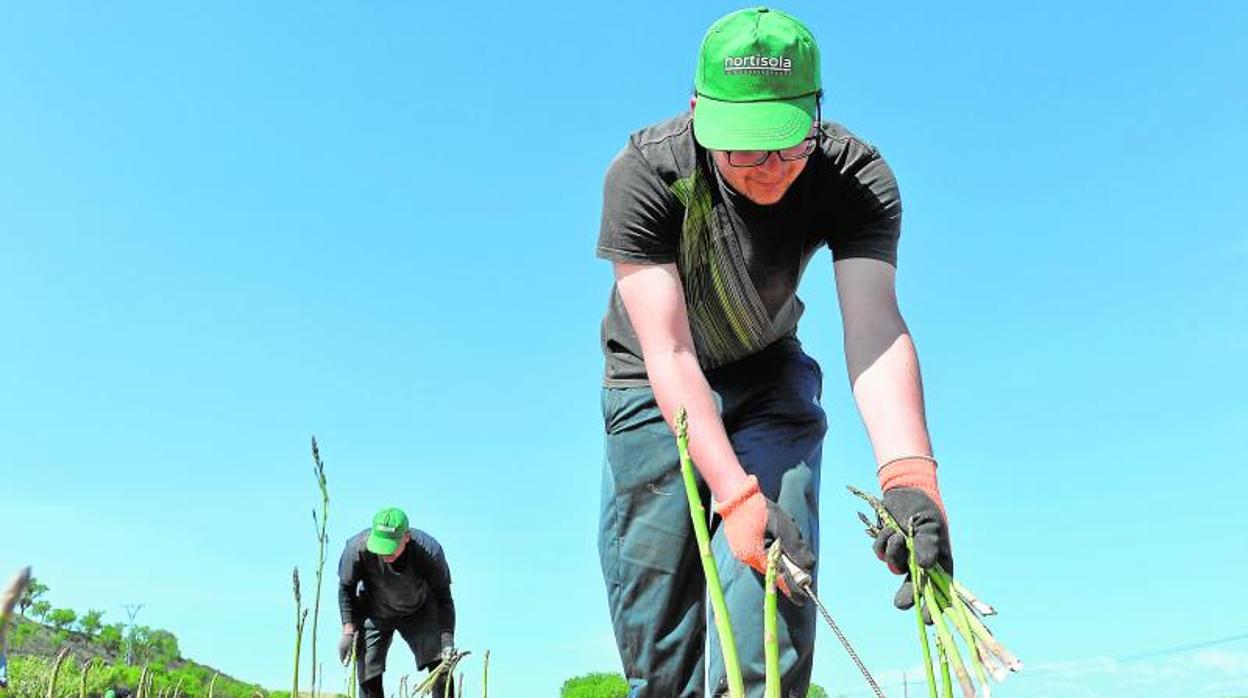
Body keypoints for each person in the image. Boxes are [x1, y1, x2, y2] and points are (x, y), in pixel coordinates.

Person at [595, 7, 956, 696]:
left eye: (788, 147)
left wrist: (911, 477)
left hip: (766, 372)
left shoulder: (855, 177)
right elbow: (668, 350)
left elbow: (875, 325)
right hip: (649, 386)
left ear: (814, 113)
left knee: (775, 579)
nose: (769, 172)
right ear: (699, 113)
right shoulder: (645, 172)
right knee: (659, 643)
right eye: (745, 151)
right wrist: (732, 497)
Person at [337, 507, 457, 698]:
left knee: (440, 668)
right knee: (368, 672)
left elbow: (443, 596)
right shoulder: (356, 549)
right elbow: (346, 588)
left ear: (406, 537)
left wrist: (447, 640)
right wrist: (348, 631)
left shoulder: (429, 551)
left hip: (420, 610)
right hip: (374, 611)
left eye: (390, 547)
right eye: (380, 547)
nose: (384, 554)